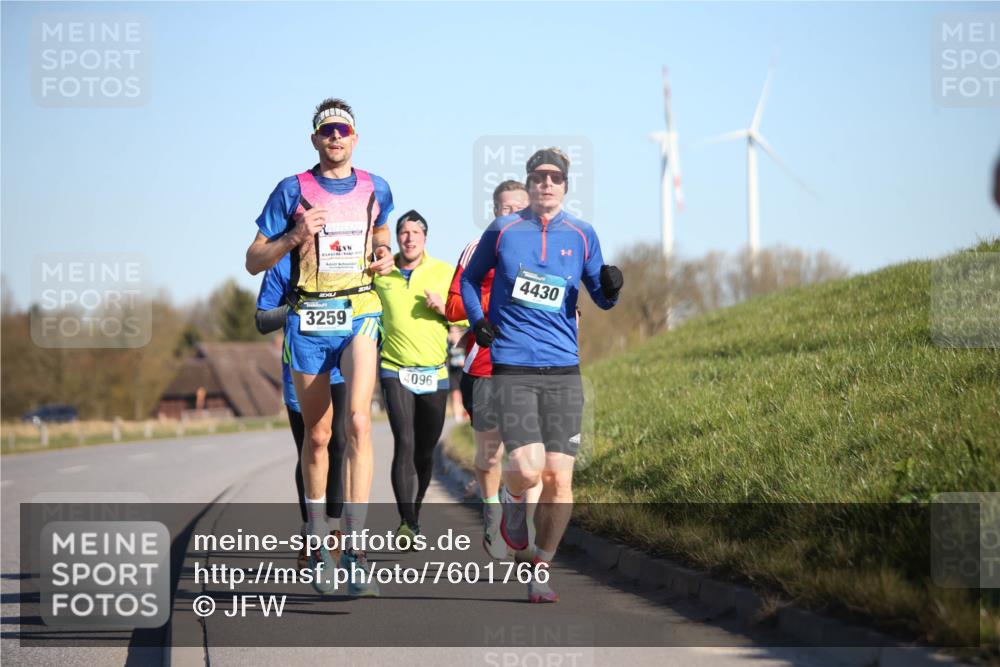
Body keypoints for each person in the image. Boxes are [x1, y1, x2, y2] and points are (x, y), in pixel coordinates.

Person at [245, 98, 394, 597]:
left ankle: (354, 548)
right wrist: (293, 235)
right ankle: (317, 539)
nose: (335, 137)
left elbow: (382, 238)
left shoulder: (377, 186)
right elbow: (252, 260)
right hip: (308, 318)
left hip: (358, 311)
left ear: (356, 138)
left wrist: (382, 257)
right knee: (318, 435)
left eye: (343, 130)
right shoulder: (292, 190)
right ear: (315, 140)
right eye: (326, 130)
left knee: (357, 422)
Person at [460, 148, 623, 603]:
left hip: (564, 369)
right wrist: (478, 322)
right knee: (528, 471)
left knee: (560, 478)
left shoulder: (583, 234)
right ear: (529, 183)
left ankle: (541, 569)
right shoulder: (504, 230)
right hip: (512, 364)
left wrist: (611, 287)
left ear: (565, 185)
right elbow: (470, 281)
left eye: (554, 177)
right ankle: (513, 501)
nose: (546, 184)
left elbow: (599, 294)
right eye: (538, 177)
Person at [446, 180, 541, 561]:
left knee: (529, 456)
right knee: (490, 455)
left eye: (520, 207)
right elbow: (454, 305)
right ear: (495, 212)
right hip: (485, 364)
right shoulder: (477, 249)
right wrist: (482, 314)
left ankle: (527, 530)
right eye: (505, 208)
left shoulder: (544, 252)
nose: (513, 214)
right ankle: (492, 510)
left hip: (531, 366)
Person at [374, 210, 466, 540]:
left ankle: (417, 506)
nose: (409, 237)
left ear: (425, 237)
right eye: (404, 232)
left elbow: (466, 316)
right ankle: (406, 521)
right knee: (405, 441)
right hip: (394, 369)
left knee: (425, 451)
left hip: (434, 372)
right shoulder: (381, 273)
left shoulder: (444, 272)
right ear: (396, 238)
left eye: (416, 232)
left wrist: (445, 309)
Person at [254, 254, 348, 571]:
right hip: (300, 368)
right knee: (311, 446)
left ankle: (333, 529)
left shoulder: (344, 257)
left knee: (338, 446)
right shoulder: (282, 266)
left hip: (340, 369)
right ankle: (311, 527)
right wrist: (293, 308)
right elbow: (262, 320)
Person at [446, 326, 466, 423]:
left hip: (463, 373)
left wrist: (464, 362)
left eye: (454, 332)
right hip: (453, 373)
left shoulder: (464, 343)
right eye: (451, 332)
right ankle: (457, 419)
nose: (453, 334)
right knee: (455, 395)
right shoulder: (448, 345)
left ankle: (465, 416)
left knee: (464, 396)